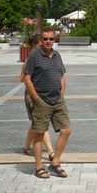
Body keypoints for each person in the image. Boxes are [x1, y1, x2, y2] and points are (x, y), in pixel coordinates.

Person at [22, 26, 71, 179]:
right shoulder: (34, 56)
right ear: (41, 40)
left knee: (66, 130)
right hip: (42, 100)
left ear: (54, 40)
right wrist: (36, 98)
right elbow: (26, 78)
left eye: (51, 39)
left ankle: (55, 162)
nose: (48, 41)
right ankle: (38, 167)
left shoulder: (57, 55)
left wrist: (61, 93)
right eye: (45, 39)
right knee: (39, 134)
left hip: (57, 100)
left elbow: (62, 75)